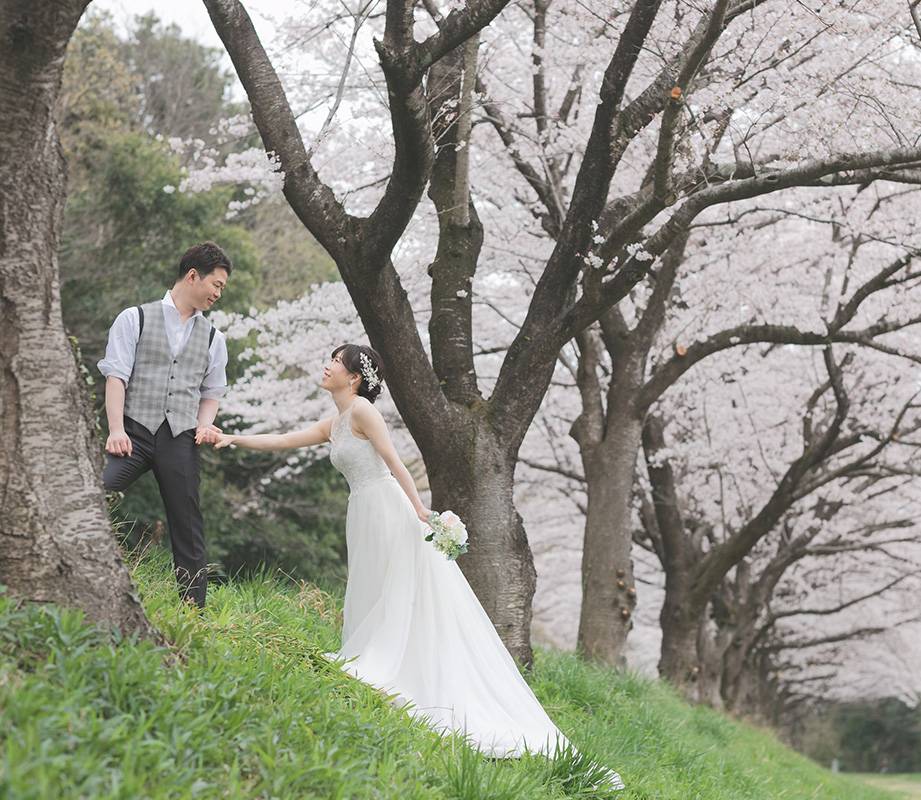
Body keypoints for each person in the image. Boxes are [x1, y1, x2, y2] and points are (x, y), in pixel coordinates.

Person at [211, 345, 621, 784]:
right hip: (362, 511)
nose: (326, 364)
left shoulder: (365, 411)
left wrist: (420, 510)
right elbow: (284, 439)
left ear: (353, 378)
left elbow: (393, 461)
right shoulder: (336, 422)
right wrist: (231, 438)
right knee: (373, 584)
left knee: (398, 588)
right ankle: (379, 655)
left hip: (387, 508)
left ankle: (391, 664)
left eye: (336, 360)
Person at [98, 241, 232, 608]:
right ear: (193, 276)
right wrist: (115, 429)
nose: (218, 294)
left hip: (181, 439)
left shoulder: (214, 338)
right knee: (94, 492)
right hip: (133, 433)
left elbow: (211, 392)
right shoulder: (134, 318)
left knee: (188, 527)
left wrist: (205, 425)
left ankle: (194, 612)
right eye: (216, 285)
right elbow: (116, 377)